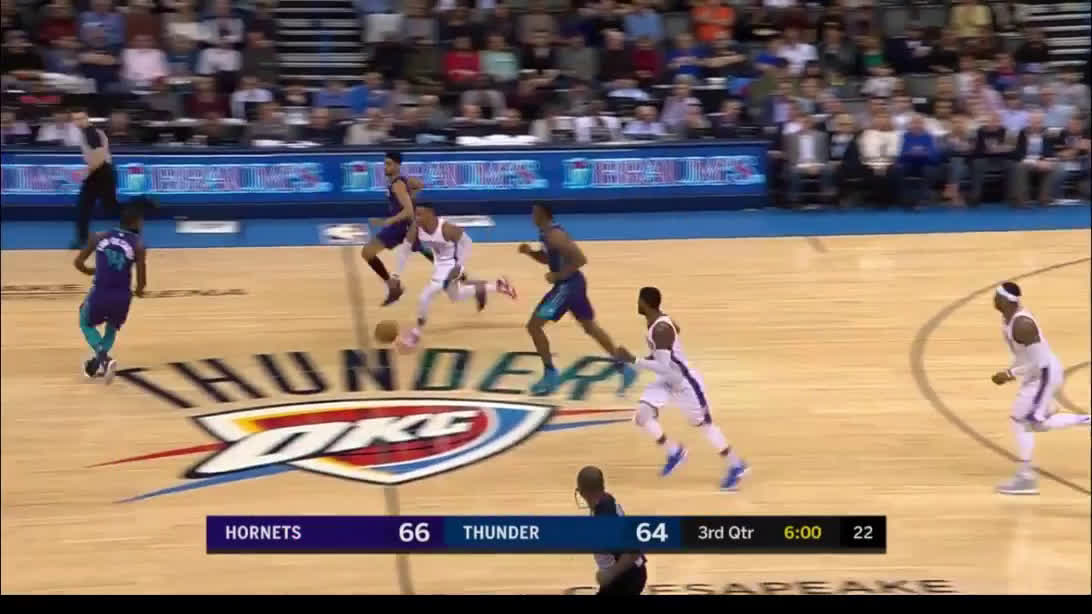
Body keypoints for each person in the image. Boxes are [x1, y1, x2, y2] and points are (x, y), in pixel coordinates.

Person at [614, 287, 749, 489]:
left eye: (639, 300)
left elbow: (663, 364)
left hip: (685, 383)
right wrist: (638, 361)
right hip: (667, 379)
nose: (637, 304)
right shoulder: (658, 322)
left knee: (705, 426)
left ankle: (736, 465)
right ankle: (675, 452)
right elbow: (672, 337)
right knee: (642, 415)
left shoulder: (660, 329)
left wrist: (633, 360)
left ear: (646, 304)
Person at [518, 202, 637, 396]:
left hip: (567, 287)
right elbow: (548, 259)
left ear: (542, 214)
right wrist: (530, 252)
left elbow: (581, 259)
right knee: (590, 327)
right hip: (573, 285)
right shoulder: (546, 234)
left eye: (534, 213)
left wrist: (558, 276)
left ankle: (550, 374)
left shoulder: (555, 235)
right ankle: (625, 368)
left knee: (534, 326)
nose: (531, 216)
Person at [991, 282, 1090, 495]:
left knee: (1021, 420)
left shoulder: (1023, 325)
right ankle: (1087, 420)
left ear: (1007, 301)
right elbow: (1024, 356)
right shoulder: (1008, 318)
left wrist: (1010, 374)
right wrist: (1012, 371)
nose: (994, 300)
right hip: (1036, 374)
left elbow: (1040, 361)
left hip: (1044, 374)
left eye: (997, 296)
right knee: (1037, 424)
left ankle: (1025, 478)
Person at [395, 203, 517, 350]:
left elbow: (467, 243)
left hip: (452, 266)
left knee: (425, 296)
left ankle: (416, 333)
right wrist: (395, 275)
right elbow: (404, 250)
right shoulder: (416, 228)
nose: (417, 217)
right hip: (439, 267)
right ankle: (497, 286)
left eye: (420, 214)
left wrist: (458, 266)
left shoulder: (447, 228)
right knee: (457, 296)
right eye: (416, 214)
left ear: (430, 214)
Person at [73, 198, 150, 384]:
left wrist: (91, 271)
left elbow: (78, 263)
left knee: (84, 321)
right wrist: (139, 292)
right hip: (122, 296)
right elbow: (141, 282)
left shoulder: (99, 236)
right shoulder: (138, 246)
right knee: (112, 326)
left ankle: (103, 358)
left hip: (100, 292)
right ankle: (97, 362)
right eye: (141, 222)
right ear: (135, 223)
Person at [359, 152, 431, 306]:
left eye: (389, 164)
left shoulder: (397, 184)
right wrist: (411, 195)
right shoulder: (401, 181)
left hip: (399, 227)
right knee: (424, 251)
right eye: (385, 163)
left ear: (397, 165)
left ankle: (393, 287)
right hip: (406, 226)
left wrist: (389, 221)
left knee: (367, 252)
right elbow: (420, 185)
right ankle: (456, 272)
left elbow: (408, 211)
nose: (385, 167)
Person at [575, 466, 647, 596]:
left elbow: (633, 552)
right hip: (625, 577)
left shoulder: (605, 516)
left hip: (626, 578)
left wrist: (610, 573)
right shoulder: (604, 501)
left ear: (583, 492)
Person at [71, 108, 118, 249]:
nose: (78, 122)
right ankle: (81, 239)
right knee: (92, 206)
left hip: (101, 172)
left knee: (101, 206)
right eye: (75, 119)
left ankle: (140, 208)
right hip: (102, 172)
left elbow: (99, 155)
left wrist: (86, 171)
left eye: (81, 118)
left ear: (87, 118)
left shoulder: (90, 133)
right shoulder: (89, 132)